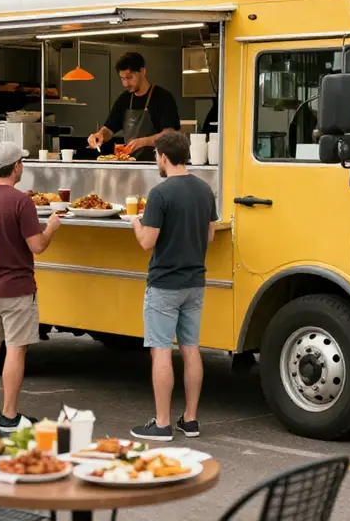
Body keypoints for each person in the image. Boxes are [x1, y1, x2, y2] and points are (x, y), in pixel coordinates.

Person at [0, 141, 61, 432]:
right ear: (16, 166)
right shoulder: (22, 202)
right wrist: (52, 227)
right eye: (22, 162)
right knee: (16, 350)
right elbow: (38, 246)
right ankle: (9, 415)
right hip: (17, 289)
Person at [129, 131, 217, 442]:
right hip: (195, 282)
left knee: (161, 350)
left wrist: (135, 223)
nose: (157, 162)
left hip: (165, 283)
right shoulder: (205, 190)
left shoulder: (160, 194)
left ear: (164, 157)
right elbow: (210, 237)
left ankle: (163, 423)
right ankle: (190, 420)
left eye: (156, 156)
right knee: (191, 349)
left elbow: (146, 243)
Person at [87, 52, 180, 161]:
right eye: (122, 79)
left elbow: (170, 135)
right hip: (130, 165)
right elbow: (109, 129)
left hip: (158, 165)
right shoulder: (123, 99)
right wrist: (100, 135)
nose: (125, 84)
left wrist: (143, 142)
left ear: (142, 72)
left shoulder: (163, 97)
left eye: (129, 77)